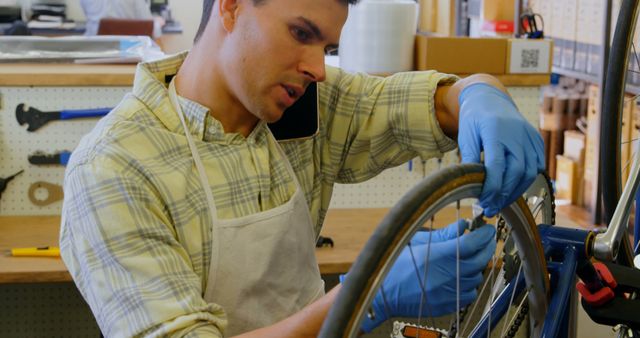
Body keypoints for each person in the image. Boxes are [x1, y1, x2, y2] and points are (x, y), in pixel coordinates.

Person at [59, 0, 544, 336]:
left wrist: (482, 95)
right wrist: (366, 294)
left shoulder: (306, 107)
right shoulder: (114, 169)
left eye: (327, 48)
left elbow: (428, 104)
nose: (316, 66)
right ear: (230, 6)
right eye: (301, 33)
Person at [80, 0, 164, 37]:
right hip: (129, 51)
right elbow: (148, 28)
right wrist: (157, 23)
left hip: (92, 50)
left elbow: (89, 16)